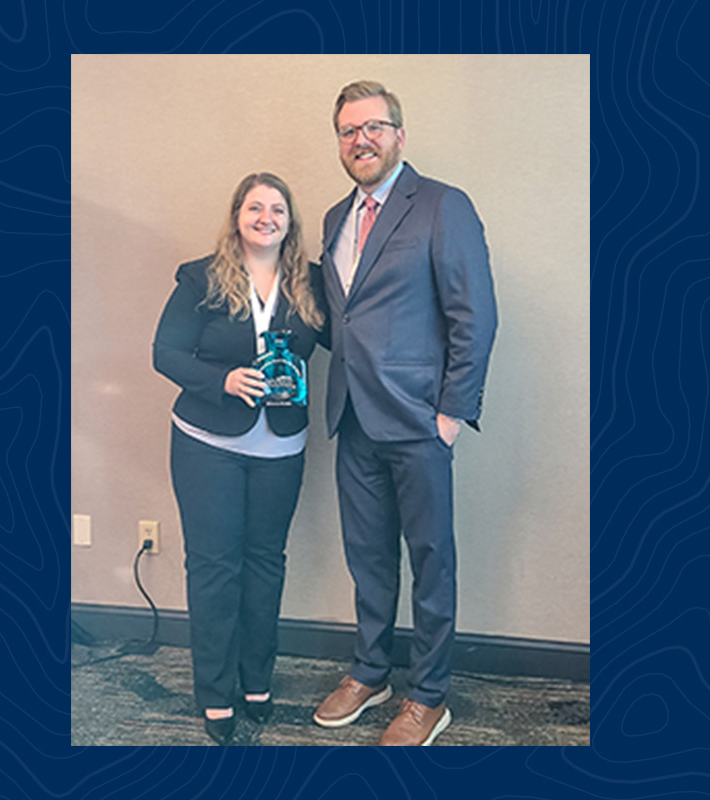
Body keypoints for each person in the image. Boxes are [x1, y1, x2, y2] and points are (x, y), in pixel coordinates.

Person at [311, 81, 498, 746]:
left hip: (419, 419)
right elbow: (344, 317)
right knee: (367, 556)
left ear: (399, 134)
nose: (360, 139)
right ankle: (370, 671)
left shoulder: (443, 205)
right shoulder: (335, 218)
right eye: (348, 130)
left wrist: (452, 414)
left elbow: (474, 315)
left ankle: (428, 694)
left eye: (373, 127)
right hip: (353, 417)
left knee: (431, 559)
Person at [153, 172, 326, 745]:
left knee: (265, 564)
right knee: (214, 568)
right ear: (236, 217)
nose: (266, 218)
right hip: (207, 444)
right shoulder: (201, 278)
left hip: (282, 447)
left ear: (290, 222)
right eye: (255, 208)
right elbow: (165, 352)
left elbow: (356, 335)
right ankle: (214, 690)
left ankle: (256, 681)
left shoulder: (313, 283)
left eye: (277, 209)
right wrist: (221, 380)